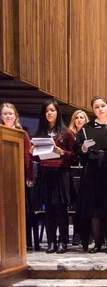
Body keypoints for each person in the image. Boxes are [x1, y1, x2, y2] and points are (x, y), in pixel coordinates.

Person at [73, 96, 107, 254]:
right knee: (94, 209)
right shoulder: (86, 128)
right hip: (91, 171)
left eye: (103, 106)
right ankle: (97, 244)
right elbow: (77, 150)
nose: (100, 109)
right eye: (96, 107)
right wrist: (84, 148)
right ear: (93, 110)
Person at [31, 99, 75, 254]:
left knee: (61, 210)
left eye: (52, 110)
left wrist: (62, 152)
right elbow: (37, 158)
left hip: (61, 174)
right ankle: (51, 242)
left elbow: (75, 156)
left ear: (58, 112)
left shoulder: (66, 133)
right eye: (47, 111)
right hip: (45, 174)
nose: (49, 113)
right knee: (48, 210)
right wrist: (33, 153)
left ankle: (63, 242)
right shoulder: (39, 134)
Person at [1, 103, 35, 249]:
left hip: (18, 175)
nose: (8, 116)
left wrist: (30, 177)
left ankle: (24, 242)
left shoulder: (22, 133)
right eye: (5, 113)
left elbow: (28, 157)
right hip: (2, 176)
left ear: (15, 116)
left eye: (10, 113)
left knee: (22, 209)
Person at [68, 109, 90, 249]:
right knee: (75, 205)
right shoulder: (70, 135)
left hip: (87, 172)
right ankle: (77, 233)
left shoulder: (89, 133)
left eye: (82, 117)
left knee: (86, 204)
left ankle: (87, 234)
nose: (79, 120)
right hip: (73, 171)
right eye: (77, 118)